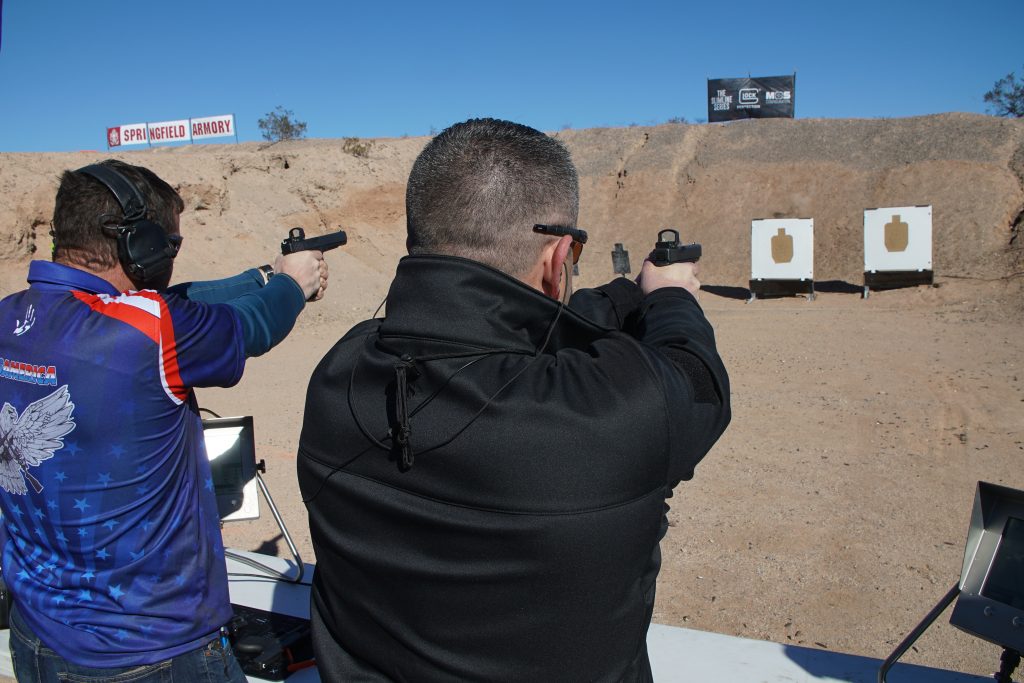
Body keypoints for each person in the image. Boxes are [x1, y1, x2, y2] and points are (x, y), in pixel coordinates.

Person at [298, 118, 731, 682]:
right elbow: (696, 375)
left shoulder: (341, 370)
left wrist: (623, 294)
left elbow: (493, 324)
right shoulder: (611, 408)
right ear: (558, 259)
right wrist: (670, 296)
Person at [0, 159, 328, 681]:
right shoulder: (152, 332)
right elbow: (254, 326)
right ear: (140, 245)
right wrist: (293, 286)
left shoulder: (10, 318)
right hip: (153, 649)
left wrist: (260, 275)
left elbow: (166, 301)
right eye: (169, 246)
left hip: (38, 636)